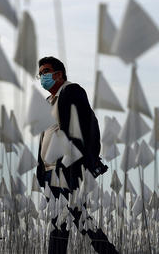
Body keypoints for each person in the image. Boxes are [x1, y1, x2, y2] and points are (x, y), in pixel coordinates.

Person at [35, 56, 118, 254]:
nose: (42, 76)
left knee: (76, 214)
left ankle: (109, 252)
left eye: (45, 71)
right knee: (61, 219)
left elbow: (84, 127)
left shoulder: (71, 91)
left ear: (59, 73)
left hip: (65, 168)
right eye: (40, 74)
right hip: (49, 171)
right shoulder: (48, 102)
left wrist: (78, 162)